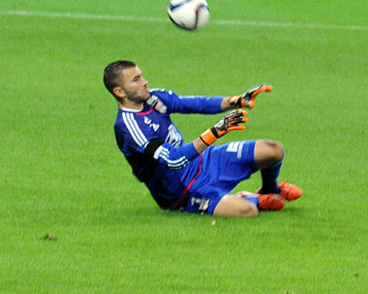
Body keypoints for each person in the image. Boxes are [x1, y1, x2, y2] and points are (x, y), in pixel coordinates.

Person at [105, 60, 302, 217]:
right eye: (136, 80)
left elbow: (193, 103)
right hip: (181, 192)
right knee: (246, 211)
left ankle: (269, 190)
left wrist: (236, 101)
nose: (144, 82)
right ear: (119, 91)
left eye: (141, 76)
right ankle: (251, 199)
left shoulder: (153, 98)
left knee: (274, 150)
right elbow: (174, 159)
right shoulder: (129, 127)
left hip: (203, 161)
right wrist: (215, 132)